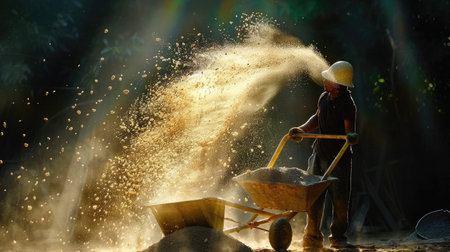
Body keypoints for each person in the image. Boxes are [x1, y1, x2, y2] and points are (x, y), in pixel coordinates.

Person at [288, 61, 357, 249]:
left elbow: (350, 133)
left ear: (337, 84)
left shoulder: (348, 105)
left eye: (329, 78)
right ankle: (312, 238)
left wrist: (351, 138)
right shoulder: (324, 97)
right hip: (318, 155)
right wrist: (301, 130)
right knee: (313, 199)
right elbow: (317, 118)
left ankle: (338, 238)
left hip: (339, 160)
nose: (325, 80)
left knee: (340, 202)